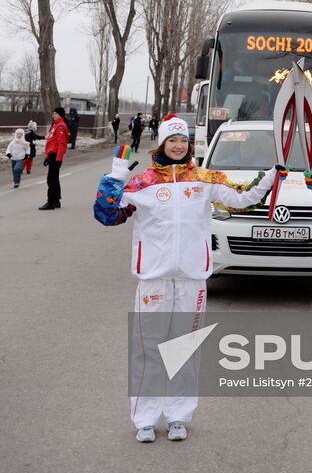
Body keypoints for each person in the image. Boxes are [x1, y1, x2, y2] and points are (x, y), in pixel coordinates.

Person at [93, 113, 280, 443]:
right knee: (149, 348)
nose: (178, 146)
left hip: (192, 277)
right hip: (154, 278)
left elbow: (243, 198)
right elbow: (107, 215)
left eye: (183, 140)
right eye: (172, 140)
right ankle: (145, 418)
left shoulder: (204, 178)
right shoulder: (144, 182)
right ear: (162, 144)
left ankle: (178, 415)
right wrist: (115, 177)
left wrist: (270, 177)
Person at [39, 107, 69, 210]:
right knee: (54, 178)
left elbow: (62, 143)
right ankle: (56, 200)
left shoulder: (60, 126)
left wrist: (58, 158)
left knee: (51, 179)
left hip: (56, 156)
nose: (53, 115)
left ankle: (50, 202)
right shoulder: (55, 125)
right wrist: (47, 156)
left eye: (55, 113)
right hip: (52, 155)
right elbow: (51, 141)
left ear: (59, 115)